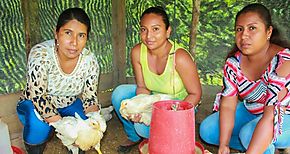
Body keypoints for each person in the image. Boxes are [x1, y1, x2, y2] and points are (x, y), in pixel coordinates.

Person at [199, 3, 290, 154]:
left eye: (252, 28)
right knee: (208, 130)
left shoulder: (283, 62)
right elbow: (228, 106)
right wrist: (224, 146)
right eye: (239, 29)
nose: (244, 35)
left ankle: (265, 145)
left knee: (249, 134)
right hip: (252, 110)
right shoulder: (233, 63)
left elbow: (269, 117)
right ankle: (264, 147)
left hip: (282, 116)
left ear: (268, 32)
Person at [111, 6, 202, 153]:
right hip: (154, 99)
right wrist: (140, 108)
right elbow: (142, 87)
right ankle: (134, 136)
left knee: (143, 128)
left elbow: (195, 94)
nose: (148, 36)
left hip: (180, 105)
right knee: (119, 94)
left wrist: (171, 116)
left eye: (155, 29)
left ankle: (162, 136)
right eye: (144, 29)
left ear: (168, 31)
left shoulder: (180, 57)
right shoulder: (137, 52)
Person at [16, 7, 100, 154]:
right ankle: (35, 149)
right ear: (56, 33)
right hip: (34, 104)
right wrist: (62, 126)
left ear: (87, 38)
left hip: (68, 103)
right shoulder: (40, 54)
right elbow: (38, 97)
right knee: (39, 124)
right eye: (68, 33)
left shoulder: (90, 61)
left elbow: (90, 99)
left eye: (81, 35)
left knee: (84, 128)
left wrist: (95, 120)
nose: (74, 42)